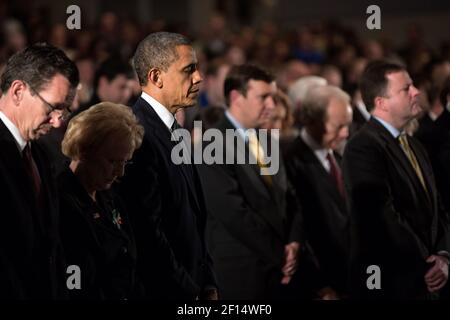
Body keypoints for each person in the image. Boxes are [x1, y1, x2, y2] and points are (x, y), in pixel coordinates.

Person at [118, 32, 218, 300]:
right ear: (155, 77)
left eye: (197, 69)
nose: (198, 78)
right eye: (188, 70)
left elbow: (195, 217)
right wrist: (190, 291)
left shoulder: (175, 128)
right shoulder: (136, 133)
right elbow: (149, 233)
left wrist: (208, 281)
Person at [342, 60, 450, 299]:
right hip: (391, 282)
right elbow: (382, 216)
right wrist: (428, 262)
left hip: (427, 281)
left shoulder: (414, 145)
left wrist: (443, 254)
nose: (416, 92)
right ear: (381, 103)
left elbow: (437, 207)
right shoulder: (362, 148)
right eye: (406, 89)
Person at [197, 64, 303, 299]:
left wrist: (295, 242)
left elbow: (290, 198)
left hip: (282, 272)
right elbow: (234, 213)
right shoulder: (210, 145)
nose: (272, 106)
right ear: (236, 97)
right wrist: (281, 254)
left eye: (273, 97)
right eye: (264, 97)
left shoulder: (268, 141)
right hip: (242, 275)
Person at [0, 43, 79, 299]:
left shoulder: (42, 155)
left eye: (64, 111)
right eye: (52, 108)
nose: (57, 122)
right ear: (18, 91)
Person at [58, 102, 144, 299]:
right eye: (112, 161)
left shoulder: (110, 196)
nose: (119, 172)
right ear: (84, 151)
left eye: (124, 162)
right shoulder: (61, 201)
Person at [284, 85, 352, 298]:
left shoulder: (341, 159)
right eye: (338, 126)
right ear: (311, 120)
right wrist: (319, 284)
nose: (345, 133)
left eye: (347, 125)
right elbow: (298, 229)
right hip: (320, 286)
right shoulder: (289, 162)